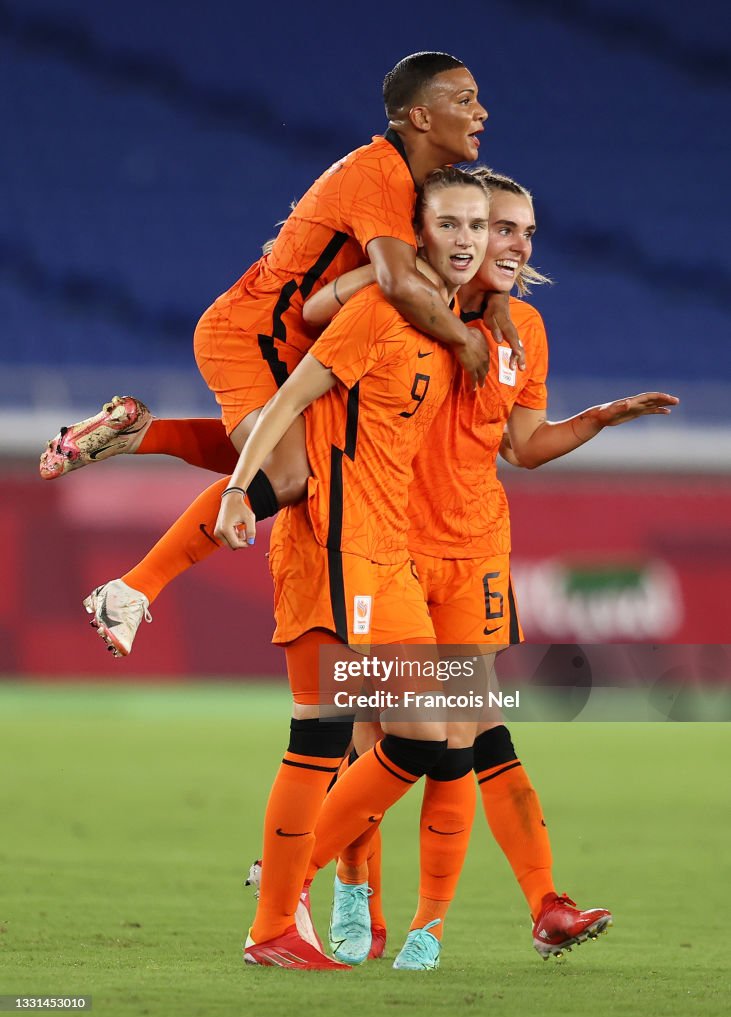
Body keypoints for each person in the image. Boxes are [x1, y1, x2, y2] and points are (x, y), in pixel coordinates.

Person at [298, 166, 678, 969]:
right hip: (385, 545)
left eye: (521, 232)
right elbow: (311, 313)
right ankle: (338, 890)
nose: (509, 244)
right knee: (380, 736)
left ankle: (434, 927)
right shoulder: (401, 308)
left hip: (474, 553)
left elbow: (525, 446)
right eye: (497, 227)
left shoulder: (522, 333)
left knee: (461, 740)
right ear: (445, 230)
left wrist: (600, 418)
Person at [38, 52, 523, 659]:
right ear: (420, 116)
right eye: (465, 99)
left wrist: (493, 300)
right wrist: (464, 336)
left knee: (297, 455)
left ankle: (143, 433)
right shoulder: (381, 173)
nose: (482, 111)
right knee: (294, 474)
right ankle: (131, 591)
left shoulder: (424, 188)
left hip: (303, 335)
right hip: (261, 333)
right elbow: (400, 282)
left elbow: (455, 257)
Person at [213, 166, 492, 969]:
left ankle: (285, 872)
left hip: (389, 555)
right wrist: (239, 490)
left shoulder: (445, 330)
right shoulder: (376, 312)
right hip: (332, 547)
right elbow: (291, 398)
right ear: (418, 234)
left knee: (423, 738)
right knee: (322, 733)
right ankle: (271, 926)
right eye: (449, 224)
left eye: (477, 225)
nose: (466, 240)